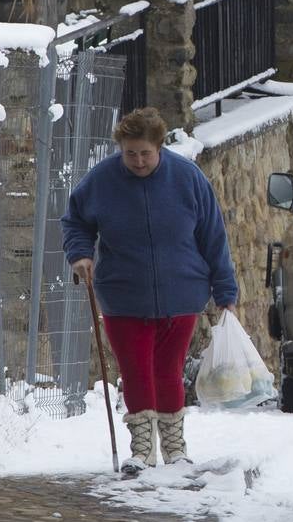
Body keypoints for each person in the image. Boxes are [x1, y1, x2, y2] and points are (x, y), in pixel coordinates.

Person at [61, 108, 238, 475]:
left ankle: (175, 447)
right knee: (136, 369)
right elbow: (75, 219)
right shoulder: (102, 181)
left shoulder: (188, 179)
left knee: (168, 371)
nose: (138, 161)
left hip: (182, 293)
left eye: (145, 153)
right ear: (120, 149)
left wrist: (225, 289)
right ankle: (142, 450)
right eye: (130, 153)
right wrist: (80, 254)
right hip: (123, 295)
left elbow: (213, 236)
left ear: (160, 148)